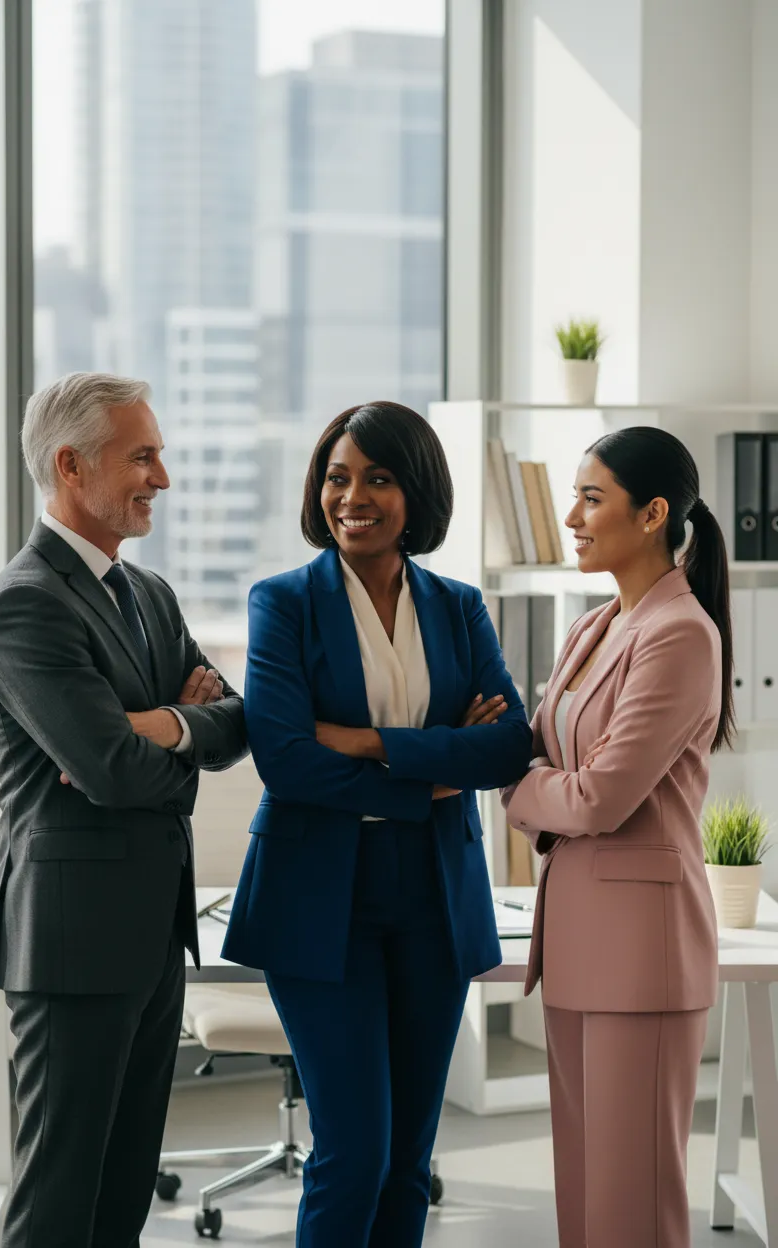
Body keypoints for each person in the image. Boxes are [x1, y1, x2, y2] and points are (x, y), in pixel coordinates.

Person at [223, 400, 532, 1248]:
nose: (352, 497)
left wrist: (367, 744)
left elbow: (510, 744)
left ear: (415, 493)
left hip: (434, 895)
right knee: (354, 1152)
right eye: (337, 477)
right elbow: (285, 759)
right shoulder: (283, 602)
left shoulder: (458, 606)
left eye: (379, 478)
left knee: (407, 1161)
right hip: (319, 897)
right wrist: (433, 771)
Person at [0, 372, 249, 1248]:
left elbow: (238, 720)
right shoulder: (26, 602)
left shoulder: (149, 594)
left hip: (153, 936)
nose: (162, 478)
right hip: (73, 946)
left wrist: (158, 723)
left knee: (123, 1197)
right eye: (142, 457)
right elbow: (113, 774)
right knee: (56, 1208)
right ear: (70, 466)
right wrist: (171, 733)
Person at [502, 426, 732, 1248]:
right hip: (575, 941)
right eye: (573, 497)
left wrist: (516, 786)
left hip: (642, 952)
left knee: (632, 1206)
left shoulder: (680, 633)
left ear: (653, 514)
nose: (572, 517)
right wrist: (526, 773)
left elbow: (600, 796)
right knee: (586, 1195)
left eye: (592, 498)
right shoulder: (593, 626)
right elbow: (537, 747)